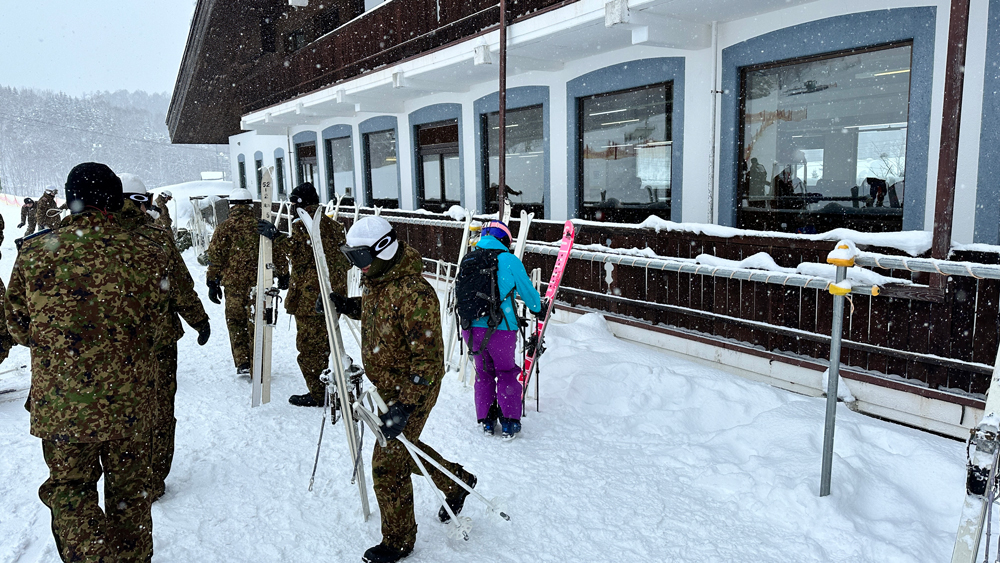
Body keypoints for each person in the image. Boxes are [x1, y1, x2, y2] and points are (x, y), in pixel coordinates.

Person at [4, 162, 175, 562]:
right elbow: (156, 323)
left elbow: (17, 325)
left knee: (70, 491)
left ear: (70, 200)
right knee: (131, 495)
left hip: (63, 406)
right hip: (131, 403)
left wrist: (62, 343)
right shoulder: (148, 252)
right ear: (115, 200)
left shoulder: (35, 253)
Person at [324, 216, 476, 563]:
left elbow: (429, 361)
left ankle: (399, 540)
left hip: (414, 387)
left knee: (388, 464)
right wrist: (347, 305)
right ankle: (457, 482)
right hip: (388, 386)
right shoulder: (378, 279)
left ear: (384, 250)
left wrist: (405, 407)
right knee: (405, 450)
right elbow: (377, 313)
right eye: (352, 258)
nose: (358, 266)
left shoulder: (414, 293)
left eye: (361, 258)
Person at [120, 174, 211, 501]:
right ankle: (151, 478)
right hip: (156, 341)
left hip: (106, 347)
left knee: (118, 410)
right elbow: (179, 286)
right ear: (140, 201)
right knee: (158, 410)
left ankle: (123, 479)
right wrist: (199, 319)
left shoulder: (90, 238)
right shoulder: (155, 237)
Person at [258, 182, 349, 407]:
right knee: (326, 343)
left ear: (299, 203)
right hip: (333, 296)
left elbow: (299, 254)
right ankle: (331, 387)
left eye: (292, 203)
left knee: (309, 349)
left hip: (311, 299)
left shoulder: (304, 225)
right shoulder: (333, 225)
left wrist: (276, 237)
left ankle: (319, 393)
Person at [461, 220, 542, 439]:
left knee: (483, 373)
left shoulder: (469, 259)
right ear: (504, 240)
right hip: (500, 329)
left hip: (470, 329)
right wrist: (538, 308)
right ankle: (508, 423)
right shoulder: (509, 260)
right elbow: (531, 298)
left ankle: (486, 420)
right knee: (506, 373)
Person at [206, 187, 267, 375]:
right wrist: (281, 274)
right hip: (257, 284)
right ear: (250, 205)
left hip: (233, 286)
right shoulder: (261, 227)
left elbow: (215, 258)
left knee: (236, 323)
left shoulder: (223, 228)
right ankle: (258, 361)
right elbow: (273, 252)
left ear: (231, 205)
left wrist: (212, 282)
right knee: (256, 322)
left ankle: (242, 362)